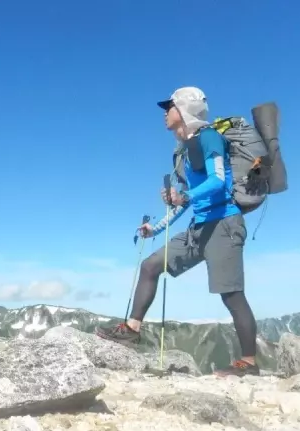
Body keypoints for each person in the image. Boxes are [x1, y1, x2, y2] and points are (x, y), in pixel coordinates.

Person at [96, 86, 260, 377]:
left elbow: (219, 181)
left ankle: (248, 363)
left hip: (224, 225)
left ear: (184, 110)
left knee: (231, 295)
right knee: (150, 266)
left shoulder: (209, 137)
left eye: (168, 107)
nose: (164, 114)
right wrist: (154, 228)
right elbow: (184, 201)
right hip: (200, 227)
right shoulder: (185, 150)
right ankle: (132, 330)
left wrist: (185, 196)